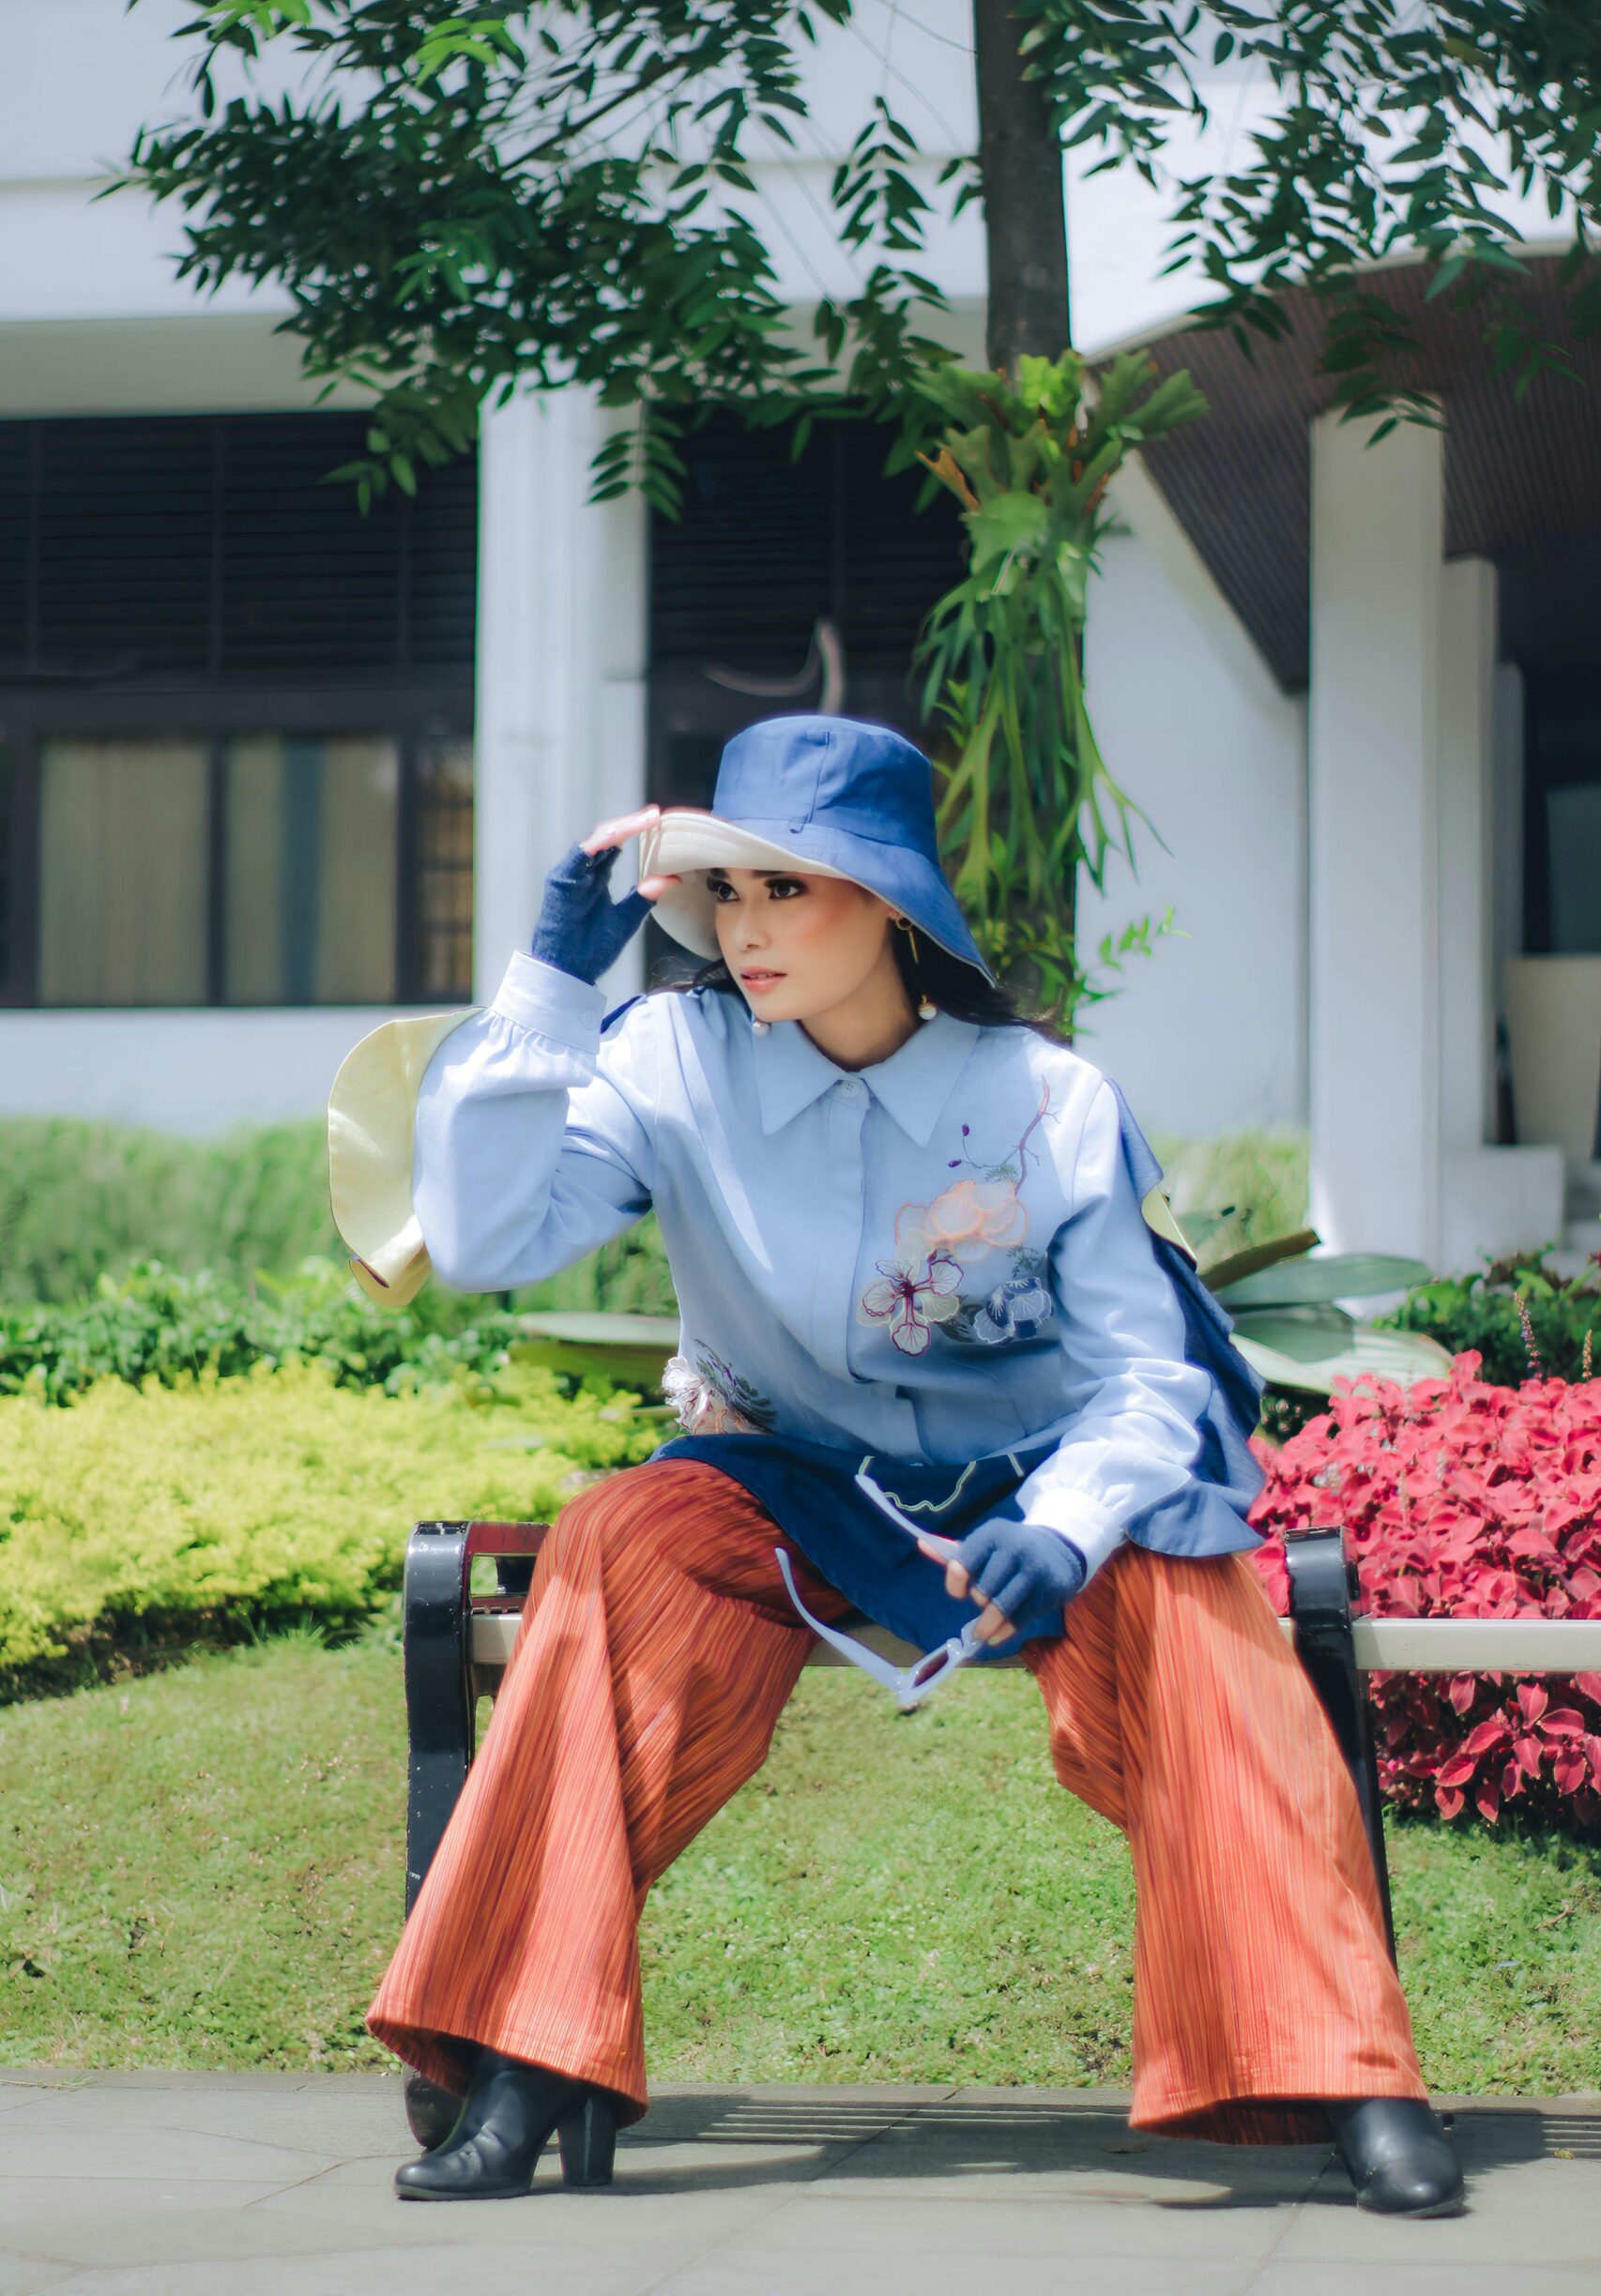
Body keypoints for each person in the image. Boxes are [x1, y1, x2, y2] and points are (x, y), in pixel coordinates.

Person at [334, 713, 1464, 2216]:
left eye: (785, 890)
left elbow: (1143, 1379)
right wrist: (546, 987)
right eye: (724, 892)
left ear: (890, 906)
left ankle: (1338, 2069)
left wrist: (1063, 1530)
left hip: (1041, 1488)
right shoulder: (666, 1059)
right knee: (612, 1536)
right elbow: (479, 1243)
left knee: (1201, 1613)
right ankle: (523, 2064)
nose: (744, 928)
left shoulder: (1048, 1103)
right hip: (785, 1476)